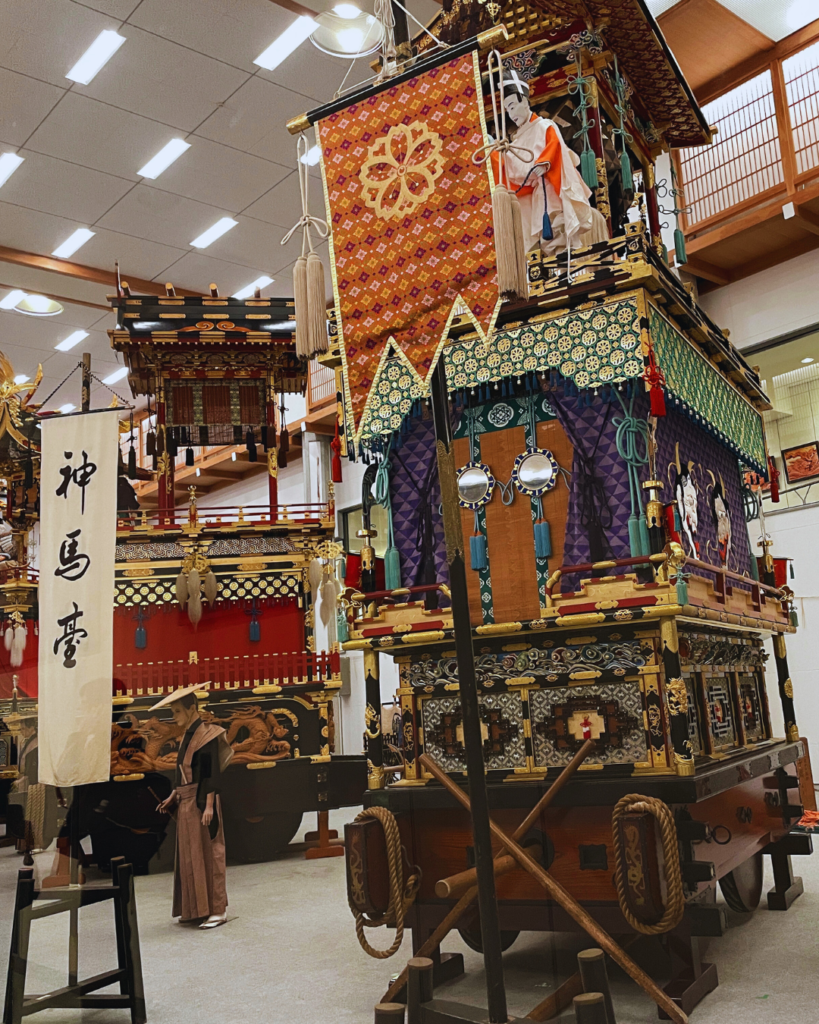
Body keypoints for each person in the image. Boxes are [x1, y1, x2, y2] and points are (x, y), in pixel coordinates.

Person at [492, 72, 605, 256]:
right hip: (536, 191)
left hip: (550, 184)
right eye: (507, 110)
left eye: (512, 106)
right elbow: (515, 167)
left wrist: (544, 162)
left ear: (524, 101)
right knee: (535, 224)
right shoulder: (517, 139)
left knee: (556, 220)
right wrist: (496, 152)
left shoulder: (544, 125)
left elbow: (554, 145)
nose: (511, 114)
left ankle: (565, 255)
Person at [154, 683, 233, 929]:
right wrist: (173, 796)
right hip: (187, 802)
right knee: (190, 857)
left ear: (192, 709)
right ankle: (196, 909)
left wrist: (209, 806)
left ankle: (217, 911)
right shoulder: (187, 735)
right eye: (173, 712)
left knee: (210, 853)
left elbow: (210, 773)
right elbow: (184, 773)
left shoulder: (207, 735)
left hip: (201, 801)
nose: (174, 716)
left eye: (177, 711)